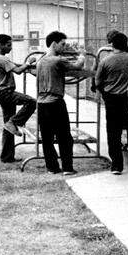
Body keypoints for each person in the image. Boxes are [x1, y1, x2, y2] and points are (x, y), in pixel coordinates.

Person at [35, 31, 86, 175]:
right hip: (55, 102)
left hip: (41, 103)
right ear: (54, 43)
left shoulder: (40, 60)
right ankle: (67, 168)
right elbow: (78, 66)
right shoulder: (57, 60)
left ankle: (52, 167)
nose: (64, 47)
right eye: (62, 44)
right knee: (65, 137)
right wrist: (82, 54)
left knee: (47, 138)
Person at [95, 32, 128, 175]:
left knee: (113, 132)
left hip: (111, 99)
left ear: (112, 45)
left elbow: (97, 81)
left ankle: (116, 165)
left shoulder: (106, 61)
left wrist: (105, 92)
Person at [0, 34, 37, 163]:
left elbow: (16, 65)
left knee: (7, 125)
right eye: (8, 45)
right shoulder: (2, 59)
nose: (10, 47)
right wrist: (28, 63)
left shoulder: (1, 59)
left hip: (2, 93)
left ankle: (7, 156)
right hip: (6, 93)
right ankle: (15, 122)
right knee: (31, 102)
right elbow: (17, 70)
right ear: (1, 45)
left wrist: (27, 66)